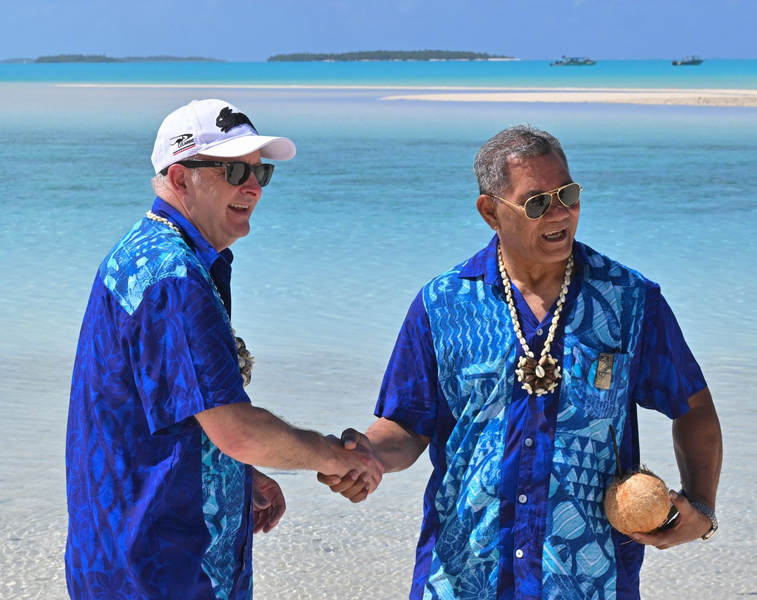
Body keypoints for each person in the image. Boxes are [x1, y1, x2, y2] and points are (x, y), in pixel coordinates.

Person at [319, 125, 723, 599]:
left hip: (588, 579)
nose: (560, 214)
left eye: (567, 195)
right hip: (462, 575)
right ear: (491, 211)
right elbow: (407, 425)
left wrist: (700, 508)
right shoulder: (443, 304)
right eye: (537, 202)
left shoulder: (630, 301)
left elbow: (694, 411)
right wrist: (367, 458)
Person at [65, 99, 383, 599]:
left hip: (128, 556)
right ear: (179, 177)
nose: (253, 187)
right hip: (163, 568)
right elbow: (235, 429)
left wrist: (239, 476)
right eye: (234, 170)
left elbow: (166, 410)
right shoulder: (175, 277)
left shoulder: (151, 255)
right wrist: (332, 456)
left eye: (261, 172)